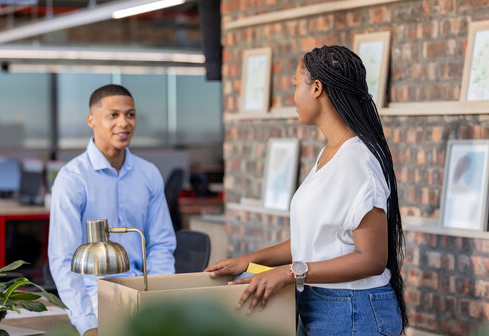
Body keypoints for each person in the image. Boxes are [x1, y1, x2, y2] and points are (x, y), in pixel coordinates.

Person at [206, 46, 407, 335]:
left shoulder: (357, 160)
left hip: (353, 311)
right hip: (322, 305)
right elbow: (316, 238)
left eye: (294, 86)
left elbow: (372, 259)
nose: (293, 97)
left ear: (316, 88)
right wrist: (251, 260)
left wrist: (289, 273)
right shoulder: (330, 153)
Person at [49, 84, 176, 336]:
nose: (124, 123)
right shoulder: (72, 178)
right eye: (113, 115)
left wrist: (160, 296)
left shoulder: (148, 173)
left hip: (143, 286)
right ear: (91, 120)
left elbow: (161, 244)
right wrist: (87, 323)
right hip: (94, 291)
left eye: (130, 114)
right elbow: (63, 259)